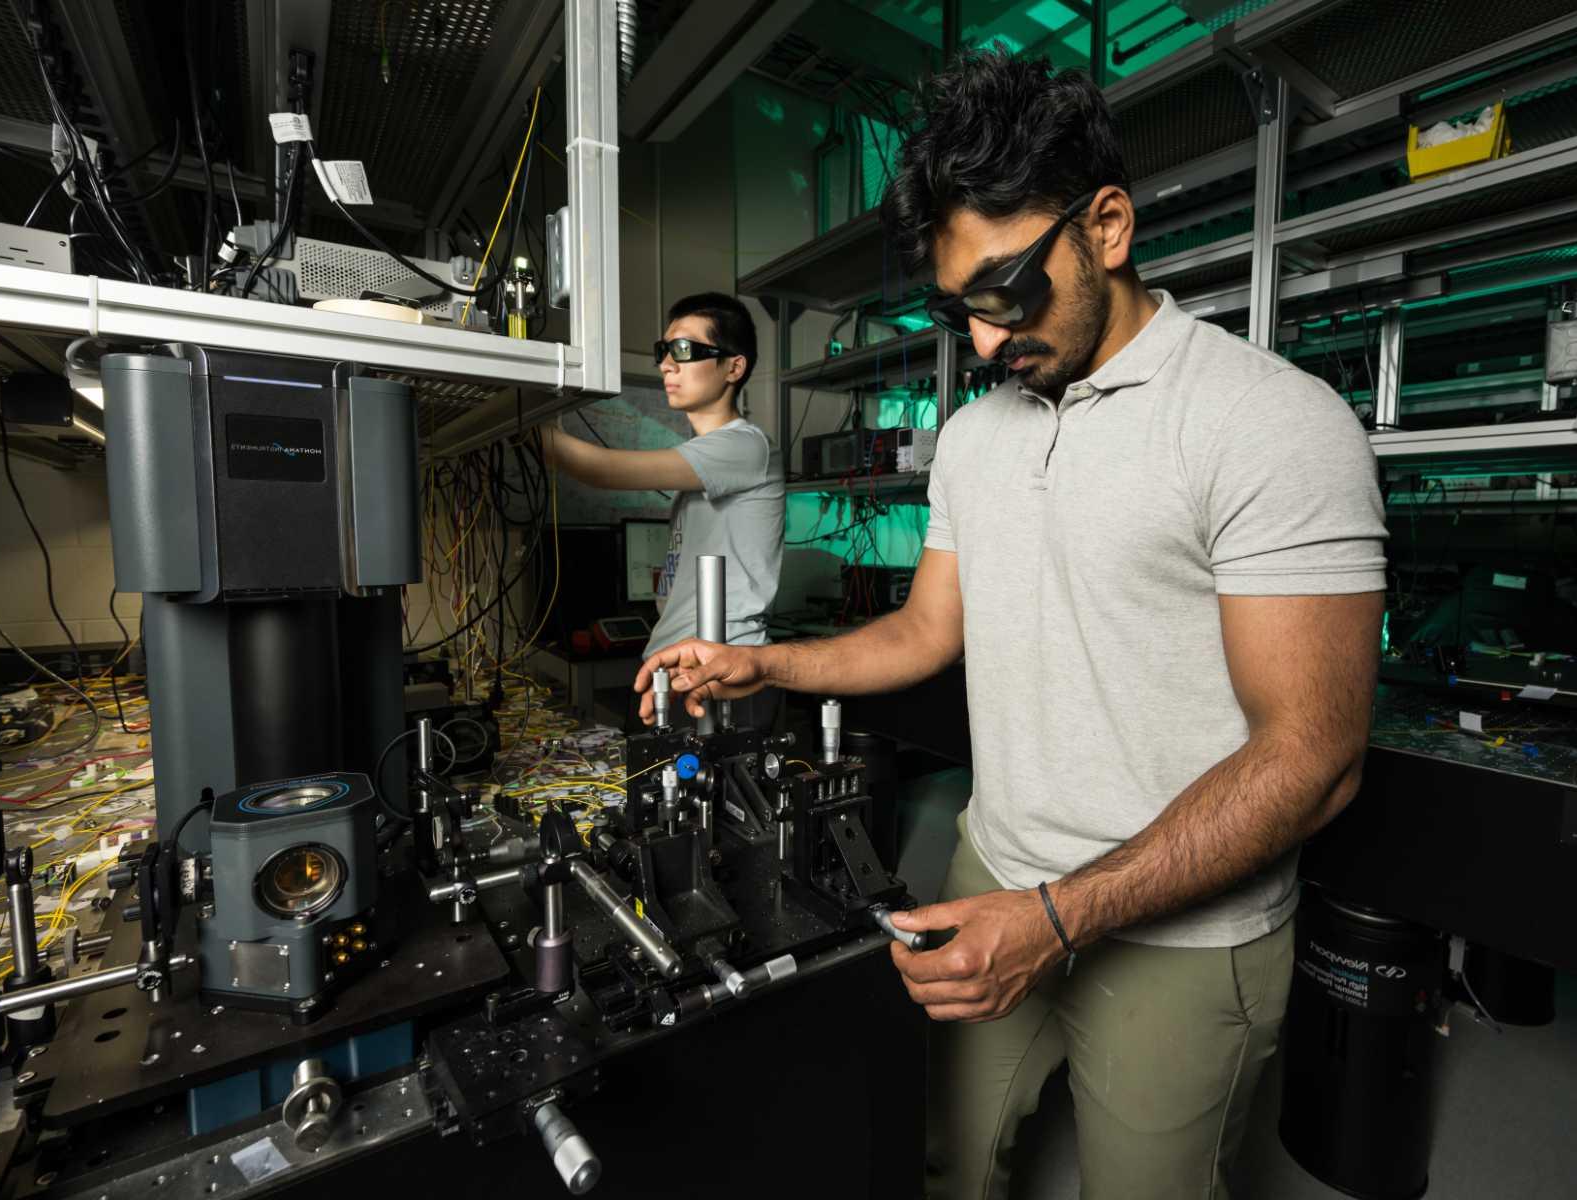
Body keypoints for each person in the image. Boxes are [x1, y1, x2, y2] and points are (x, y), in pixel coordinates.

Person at [634, 52, 1388, 1200]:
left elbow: (1313, 758)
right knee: (936, 1159)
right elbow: (925, 632)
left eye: (1007, 291)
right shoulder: (978, 436)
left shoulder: (1269, 425)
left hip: (1180, 934)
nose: (983, 341)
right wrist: (763, 662)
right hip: (993, 872)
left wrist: (1057, 919)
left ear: (1109, 226)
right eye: (958, 309)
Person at [543, 292, 784, 726]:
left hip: (720, 672)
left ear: (734, 366)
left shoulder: (745, 446)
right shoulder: (708, 457)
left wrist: (521, 418)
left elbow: (601, 470)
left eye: (685, 350)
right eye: (663, 351)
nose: (667, 365)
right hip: (679, 668)